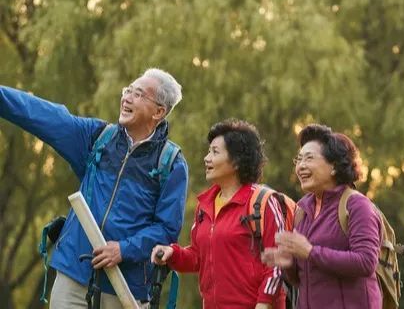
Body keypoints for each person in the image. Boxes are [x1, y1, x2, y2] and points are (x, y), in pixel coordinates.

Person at [0, 68, 189, 308]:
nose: (127, 98)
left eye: (139, 94)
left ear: (159, 112)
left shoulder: (171, 163)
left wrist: (123, 249)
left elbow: (166, 229)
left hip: (125, 289)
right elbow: (40, 114)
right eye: (128, 90)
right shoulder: (97, 137)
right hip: (73, 278)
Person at [151, 119, 285, 309]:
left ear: (237, 161)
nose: (206, 158)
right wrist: (173, 253)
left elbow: (278, 262)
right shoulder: (205, 207)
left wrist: (263, 304)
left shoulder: (262, 202)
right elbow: (198, 257)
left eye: (215, 152)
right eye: (208, 151)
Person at [262, 124, 382, 309]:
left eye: (309, 158)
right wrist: (289, 264)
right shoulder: (302, 208)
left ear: (334, 166)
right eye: (299, 159)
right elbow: (303, 278)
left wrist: (311, 251)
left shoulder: (357, 205)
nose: (301, 166)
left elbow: (366, 262)